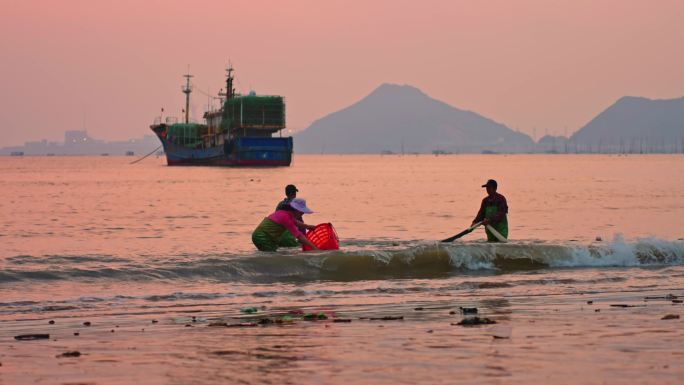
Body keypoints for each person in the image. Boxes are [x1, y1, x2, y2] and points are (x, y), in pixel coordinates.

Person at [252, 198, 319, 252]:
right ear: (296, 210)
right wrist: (314, 248)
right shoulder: (285, 217)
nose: (302, 214)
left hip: (265, 237)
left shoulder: (286, 214)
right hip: (262, 237)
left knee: (272, 255)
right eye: (301, 212)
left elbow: (295, 222)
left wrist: (308, 226)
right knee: (272, 257)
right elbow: (299, 236)